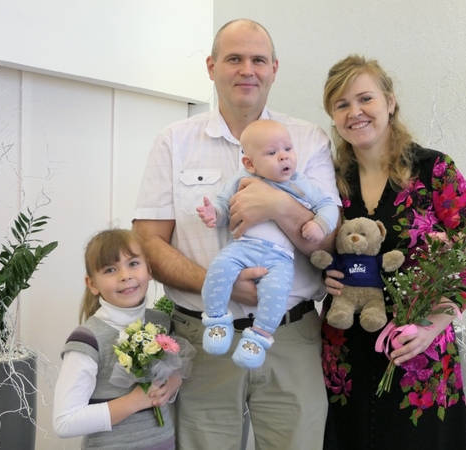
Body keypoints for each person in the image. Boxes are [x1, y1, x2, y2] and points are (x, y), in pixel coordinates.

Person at [133, 18, 341, 450]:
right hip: (203, 338)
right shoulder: (174, 141)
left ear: (274, 69)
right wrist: (220, 283)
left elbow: (327, 241)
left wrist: (277, 204)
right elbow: (148, 244)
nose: (247, 70)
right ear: (212, 67)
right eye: (234, 59)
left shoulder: (308, 140)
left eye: (258, 60)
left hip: (290, 336)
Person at [319, 55, 466, 450]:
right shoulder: (328, 179)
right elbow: (311, 247)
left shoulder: (434, 169)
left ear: (390, 101)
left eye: (365, 98)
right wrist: (322, 277)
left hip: (418, 348)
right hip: (345, 352)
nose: (355, 112)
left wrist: (432, 325)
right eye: (342, 104)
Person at [197, 119, 338, 370]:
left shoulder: (299, 183)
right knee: (219, 268)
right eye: (272, 153)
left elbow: (327, 205)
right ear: (249, 163)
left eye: (288, 149)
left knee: (277, 293)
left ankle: (258, 338)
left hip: (279, 257)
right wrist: (213, 214)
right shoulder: (242, 179)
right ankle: (216, 320)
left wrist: (319, 224)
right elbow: (223, 205)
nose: (284, 157)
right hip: (242, 247)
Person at [53, 229, 183, 450]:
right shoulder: (87, 340)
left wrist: (172, 384)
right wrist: (134, 402)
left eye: (133, 264)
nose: (125, 275)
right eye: (110, 270)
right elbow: (64, 422)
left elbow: (177, 370)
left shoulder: (162, 322)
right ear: (92, 284)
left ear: (149, 269)